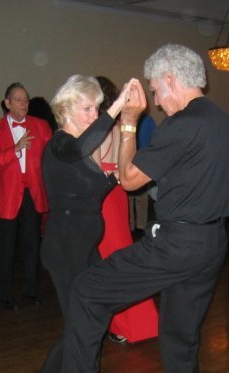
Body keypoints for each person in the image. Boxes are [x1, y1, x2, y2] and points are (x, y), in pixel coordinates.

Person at [33, 44, 229, 373]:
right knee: (179, 338)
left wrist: (129, 122)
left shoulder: (183, 124)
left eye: (156, 89)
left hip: (176, 243)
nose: (156, 100)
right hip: (212, 243)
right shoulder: (221, 122)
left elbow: (129, 180)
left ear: (171, 80)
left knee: (87, 290)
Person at [16, 74, 135, 373]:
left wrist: (122, 177)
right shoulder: (61, 144)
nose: (94, 114)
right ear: (66, 109)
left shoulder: (79, 151)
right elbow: (85, 145)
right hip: (64, 248)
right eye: (88, 108)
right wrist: (118, 107)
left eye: (97, 108)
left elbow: (95, 190)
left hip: (84, 247)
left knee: (95, 320)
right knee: (77, 328)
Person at [93, 76, 159, 344]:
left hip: (102, 196)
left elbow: (94, 171)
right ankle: (137, 322)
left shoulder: (96, 129)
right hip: (118, 194)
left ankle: (123, 325)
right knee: (120, 256)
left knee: (108, 260)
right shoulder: (122, 127)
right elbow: (127, 165)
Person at [0, 83, 52, 311]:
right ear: (8, 103)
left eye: (26, 99)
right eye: (19, 99)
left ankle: (30, 291)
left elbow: (51, 157)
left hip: (33, 193)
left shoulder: (41, 126)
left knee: (32, 245)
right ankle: (4, 296)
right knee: (6, 248)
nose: (24, 103)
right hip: (8, 197)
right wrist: (14, 149)